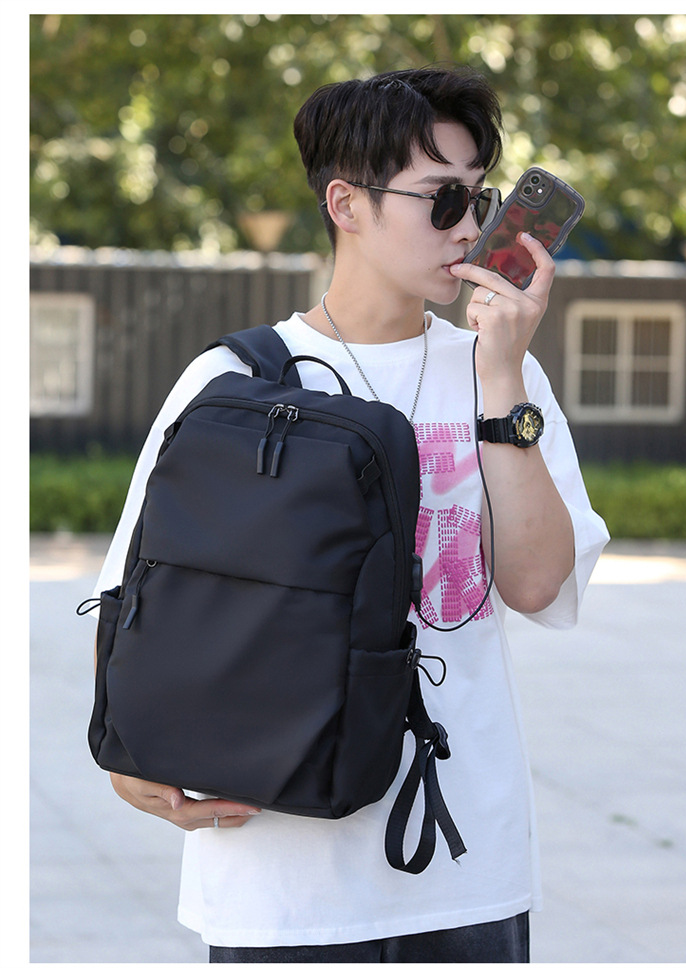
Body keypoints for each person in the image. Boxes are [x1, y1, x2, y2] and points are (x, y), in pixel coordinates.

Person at [93, 65, 609, 963]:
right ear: (346, 204)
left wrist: (499, 376)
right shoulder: (233, 381)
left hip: (460, 863)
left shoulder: (505, 376)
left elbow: (534, 585)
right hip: (278, 871)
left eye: (481, 200)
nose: (470, 228)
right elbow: (137, 593)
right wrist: (124, 757)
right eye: (441, 199)